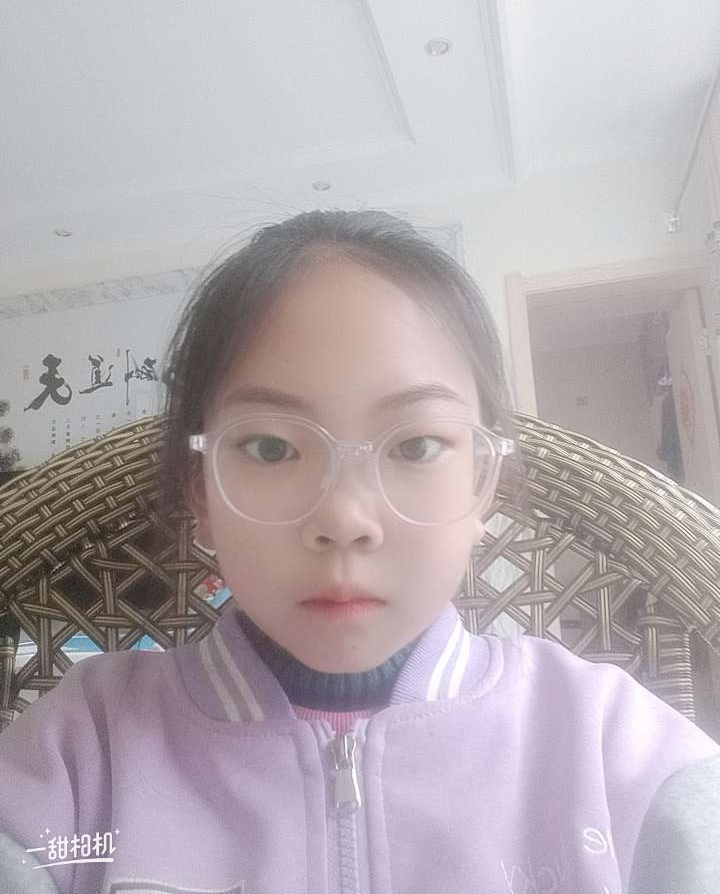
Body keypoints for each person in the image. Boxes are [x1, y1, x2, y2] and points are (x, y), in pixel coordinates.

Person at [0, 209, 718, 894]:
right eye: (271, 447)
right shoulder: (83, 756)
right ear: (200, 492)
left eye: (417, 446)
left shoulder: (608, 748)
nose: (344, 519)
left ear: (485, 484)